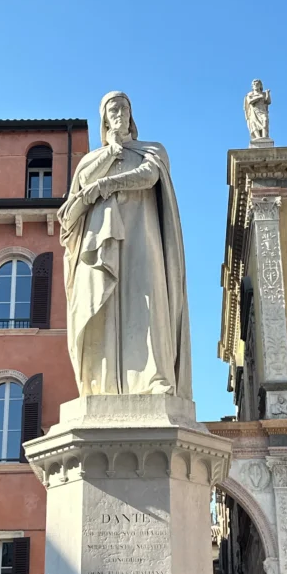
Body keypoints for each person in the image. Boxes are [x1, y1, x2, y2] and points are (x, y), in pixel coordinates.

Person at [57, 91, 191, 399]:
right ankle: (102, 386)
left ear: (132, 114)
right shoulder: (91, 160)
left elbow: (150, 175)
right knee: (101, 304)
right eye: (112, 109)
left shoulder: (151, 150)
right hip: (99, 241)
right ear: (104, 118)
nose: (119, 112)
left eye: (124, 107)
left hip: (142, 236)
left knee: (147, 302)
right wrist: (110, 151)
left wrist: (106, 185)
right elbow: (80, 188)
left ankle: (153, 379)